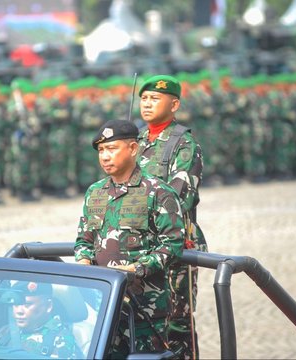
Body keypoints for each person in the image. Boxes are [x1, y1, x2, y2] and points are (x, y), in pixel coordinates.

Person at [74, 120, 185, 356]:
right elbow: (84, 240)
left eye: (112, 149)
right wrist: (83, 262)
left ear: (133, 148)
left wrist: (137, 268)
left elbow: (172, 244)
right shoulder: (95, 192)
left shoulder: (158, 192)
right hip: (103, 307)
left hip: (144, 308)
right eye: (101, 150)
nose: (105, 156)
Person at [137, 74, 208, 359]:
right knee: (140, 323)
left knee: (176, 326)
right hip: (138, 245)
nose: (147, 104)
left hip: (174, 246)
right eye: (143, 98)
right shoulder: (135, 140)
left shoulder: (184, 144)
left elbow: (179, 198)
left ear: (174, 104)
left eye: (155, 98)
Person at [0, 281, 80, 358]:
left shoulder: (60, 339)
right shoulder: (6, 332)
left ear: (49, 306)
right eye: (16, 304)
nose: (19, 311)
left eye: (27, 305)